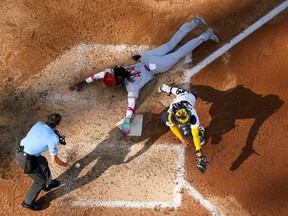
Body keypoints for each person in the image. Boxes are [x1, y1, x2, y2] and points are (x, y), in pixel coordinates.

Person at [70, 16, 219, 135]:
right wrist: (82, 82)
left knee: (179, 53)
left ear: (117, 81)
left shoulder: (131, 87)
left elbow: (131, 106)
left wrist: (127, 120)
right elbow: (98, 75)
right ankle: (194, 22)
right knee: (171, 43)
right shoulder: (115, 71)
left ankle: (205, 35)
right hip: (147, 57)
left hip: (156, 67)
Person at [15, 113, 72, 211]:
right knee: (40, 181)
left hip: (24, 150)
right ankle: (27, 203)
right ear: (57, 125)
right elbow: (55, 160)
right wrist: (66, 165)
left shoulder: (39, 124)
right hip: (26, 159)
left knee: (42, 160)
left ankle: (48, 184)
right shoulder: (53, 138)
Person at [158, 84, 209, 173]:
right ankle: (166, 88)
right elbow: (172, 126)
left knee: (195, 135)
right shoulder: (170, 116)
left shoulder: (192, 116)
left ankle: (201, 129)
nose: (186, 122)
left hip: (189, 97)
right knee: (186, 132)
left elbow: (195, 136)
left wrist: (199, 154)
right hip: (179, 100)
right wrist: (181, 139)